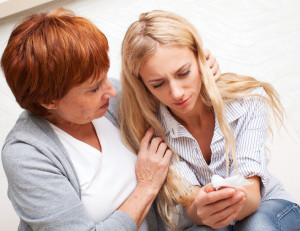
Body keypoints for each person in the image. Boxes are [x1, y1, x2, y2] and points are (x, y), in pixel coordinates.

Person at [0, 8, 220, 231]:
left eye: (105, 75)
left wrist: (199, 69)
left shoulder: (114, 99)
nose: (112, 90)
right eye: (94, 88)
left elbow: (173, 94)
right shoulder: (26, 155)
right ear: (48, 101)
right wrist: (146, 187)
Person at [119, 10, 300, 231]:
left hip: (268, 206)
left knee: (258, 226)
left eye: (183, 73)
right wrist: (201, 208)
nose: (176, 93)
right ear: (143, 85)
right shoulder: (154, 133)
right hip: (210, 223)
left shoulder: (247, 101)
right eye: (158, 84)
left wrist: (222, 202)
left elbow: (252, 196)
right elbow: (193, 207)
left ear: (202, 58)